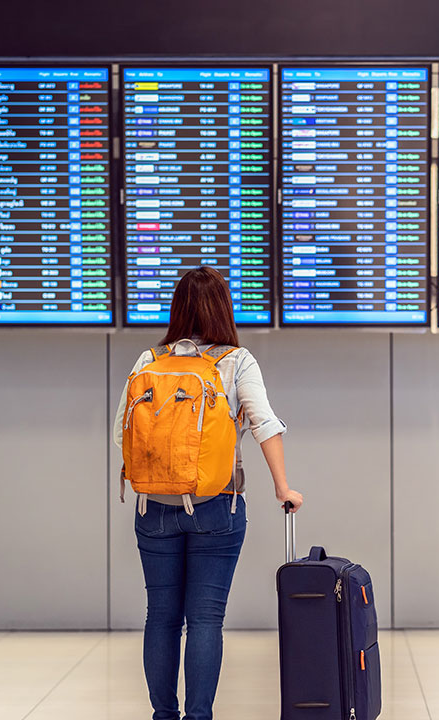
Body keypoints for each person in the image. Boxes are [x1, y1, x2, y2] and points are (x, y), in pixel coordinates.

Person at [112, 266, 303, 720]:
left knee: (160, 616)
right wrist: (283, 487)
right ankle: (199, 717)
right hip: (217, 507)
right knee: (204, 620)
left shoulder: (148, 361)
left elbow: (123, 428)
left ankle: (164, 715)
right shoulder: (236, 360)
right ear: (224, 308)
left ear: (177, 308)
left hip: (152, 508)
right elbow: (264, 423)